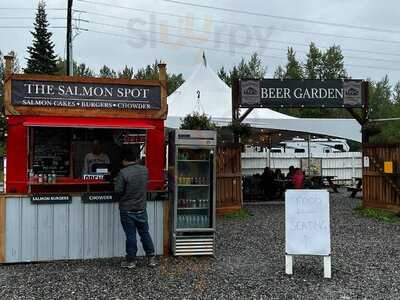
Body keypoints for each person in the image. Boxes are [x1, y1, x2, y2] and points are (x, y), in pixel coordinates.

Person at [114, 146, 156, 268]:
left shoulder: (123, 173)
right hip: (141, 208)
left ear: (125, 160)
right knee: (145, 233)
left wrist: (117, 181)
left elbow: (118, 191)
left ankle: (131, 261)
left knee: (131, 235)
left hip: (127, 210)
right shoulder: (144, 170)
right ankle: (151, 258)